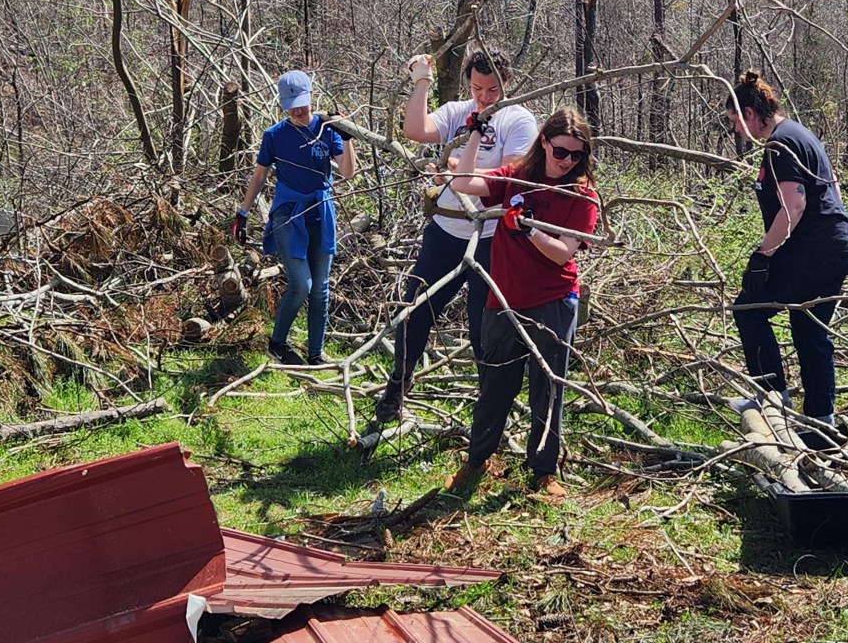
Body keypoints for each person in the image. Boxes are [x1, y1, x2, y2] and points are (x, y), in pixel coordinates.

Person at [373, 51, 540, 422]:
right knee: (415, 310)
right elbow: (415, 130)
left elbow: (509, 175)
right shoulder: (457, 111)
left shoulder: (519, 120)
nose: (484, 97)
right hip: (447, 229)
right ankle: (397, 386)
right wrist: (422, 81)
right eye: (478, 88)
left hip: (492, 237)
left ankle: (489, 406)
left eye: (493, 89)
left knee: (485, 328)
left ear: (507, 83)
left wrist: (458, 167)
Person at [440, 108, 599, 497]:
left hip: (554, 301)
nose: (567, 162)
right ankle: (477, 461)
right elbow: (463, 181)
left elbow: (563, 253)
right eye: (561, 151)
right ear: (544, 142)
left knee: (548, 386)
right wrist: (475, 134)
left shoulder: (583, 195)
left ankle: (544, 471)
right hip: (504, 300)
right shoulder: (515, 179)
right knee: (495, 385)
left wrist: (527, 229)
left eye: (577, 155)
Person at [726, 71, 848, 424]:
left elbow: (794, 207)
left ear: (750, 114)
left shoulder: (780, 145)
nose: (737, 130)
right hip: (835, 245)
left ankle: (771, 399)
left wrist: (763, 255)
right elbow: (834, 188)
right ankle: (821, 420)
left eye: (736, 122)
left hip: (816, 249)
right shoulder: (800, 134)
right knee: (809, 328)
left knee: (749, 309)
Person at [235, 70, 358, 366]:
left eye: (302, 103)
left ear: (311, 97)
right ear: (283, 105)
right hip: (288, 214)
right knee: (301, 284)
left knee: (320, 288)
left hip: (321, 211)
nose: (299, 110)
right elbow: (260, 175)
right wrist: (243, 213)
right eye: (292, 105)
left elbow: (348, 172)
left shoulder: (328, 129)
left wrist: (347, 136)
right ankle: (277, 344)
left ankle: (315, 354)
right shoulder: (274, 135)